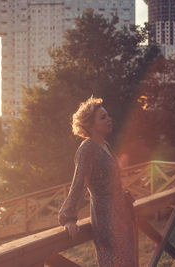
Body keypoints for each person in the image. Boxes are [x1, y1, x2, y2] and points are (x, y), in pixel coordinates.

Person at [58, 96, 136, 266]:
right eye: (103, 117)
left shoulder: (105, 145)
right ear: (90, 125)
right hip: (107, 221)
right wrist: (69, 217)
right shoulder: (87, 149)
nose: (109, 119)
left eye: (108, 116)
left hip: (122, 215)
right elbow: (79, 184)